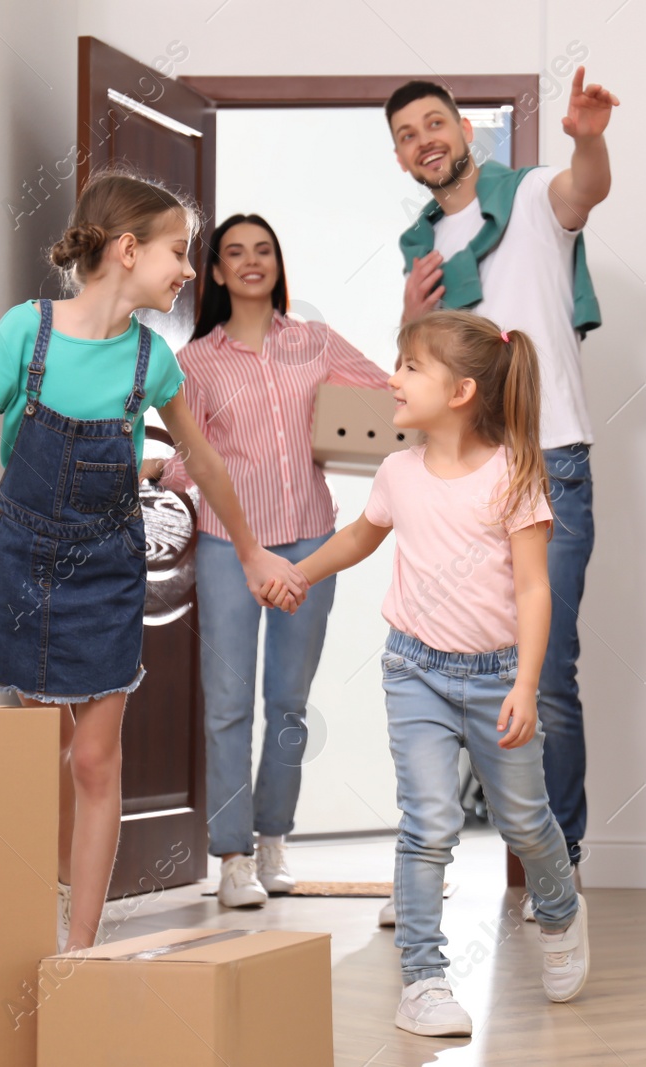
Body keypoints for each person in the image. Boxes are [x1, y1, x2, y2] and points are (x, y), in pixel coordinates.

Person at [0, 171, 307, 953]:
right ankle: (33, 907)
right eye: (179, 252)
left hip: (107, 566)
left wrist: (249, 549)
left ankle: (82, 945)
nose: (185, 271)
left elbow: (204, 463)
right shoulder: (26, 332)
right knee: (39, 756)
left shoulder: (153, 361)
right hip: (22, 557)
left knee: (97, 754)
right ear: (128, 249)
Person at [264, 310, 589, 1037]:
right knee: (428, 823)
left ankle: (563, 911)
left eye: (410, 367)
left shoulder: (515, 475)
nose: (391, 379)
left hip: (500, 672)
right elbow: (357, 535)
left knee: (527, 824)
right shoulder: (396, 470)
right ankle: (425, 978)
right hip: (415, 669)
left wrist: (526, 685)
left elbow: (537, 590)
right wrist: (299, 573)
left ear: (464, 390)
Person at [386, 70, 618, 907]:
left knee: (545, 671)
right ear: (404, 158)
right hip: (460, 478)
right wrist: (406, 316)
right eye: (407, 134)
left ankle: (560, 867)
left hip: (548, 458)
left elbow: (584, 189)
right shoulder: (423, 253)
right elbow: (420, 378)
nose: (425, 139)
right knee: (439, 663)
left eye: (434, 122)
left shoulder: (526, 199)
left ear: (464, 131)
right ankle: (429, 864)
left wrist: (587, 137)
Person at [138, 213, 391, 908]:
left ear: (278, 264)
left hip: (311, 541)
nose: (252, 261)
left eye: (264, 250)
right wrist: (157, 470)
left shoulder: (315, 342)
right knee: (227, 704)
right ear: (215, 271)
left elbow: (386, 396)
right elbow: (200, 457)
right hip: (228, 542)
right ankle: (232, 857)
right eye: (235, 253)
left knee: (287, 703)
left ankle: (274, 838)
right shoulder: (195, 362)